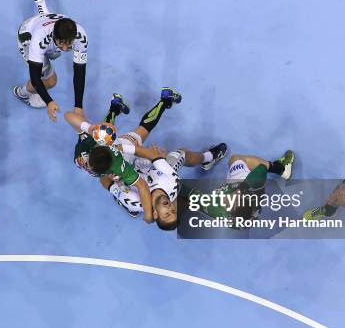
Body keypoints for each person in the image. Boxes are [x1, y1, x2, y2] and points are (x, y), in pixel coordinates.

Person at [66, 88, 227, 231]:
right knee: (179, 152)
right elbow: (149, 159)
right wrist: (156, 157)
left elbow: (106, 183)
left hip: (126, 173)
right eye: (173, 211)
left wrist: (113, 173)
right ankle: (208, 157)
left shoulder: (132, 199)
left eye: (166, 214)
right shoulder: (172, 183)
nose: (170, 209)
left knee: (113, 142)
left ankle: (116, 108)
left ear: (156, 214)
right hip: (145, 168)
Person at [12, 0, 89, 122]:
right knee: (51, 81)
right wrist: (49, 101)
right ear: (54, 36)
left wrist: (78, 106)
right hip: (28, 36)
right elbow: (35, 77)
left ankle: (40, 1)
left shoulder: (80, 36)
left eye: (69, 43)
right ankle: (21, 93)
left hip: (45, 22)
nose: (65, 48)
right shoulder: (39, 41)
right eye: (62, 43)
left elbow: (79, 72)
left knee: (55, 54)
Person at [180, 152, 295, 229]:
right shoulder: (254, 189)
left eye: (227, 205)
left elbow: (189, 193)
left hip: (242, 211)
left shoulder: (215, 209)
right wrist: (242, 186)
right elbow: (261, 169)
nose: (225, 200)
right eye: (230, 201)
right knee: (236, 159)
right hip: (242, 191)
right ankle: (283, 170)